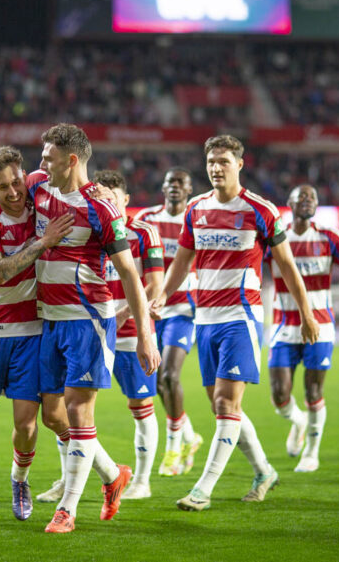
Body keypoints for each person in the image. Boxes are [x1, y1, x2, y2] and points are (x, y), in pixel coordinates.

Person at [0, 124, 160, 533]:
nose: (39, 164)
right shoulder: (39, 186)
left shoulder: (102, 208)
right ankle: (113, 476)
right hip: (48, 320)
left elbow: (130, 273)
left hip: (86, 320)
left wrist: (145, 334)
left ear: (71, 160)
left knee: (79, 410)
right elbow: (1, 200)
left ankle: (68, 509)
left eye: (47, 157)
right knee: (52, 416)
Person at [155, 135, 320, 511]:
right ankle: (264, 471)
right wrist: (162, 295)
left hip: (240, 318)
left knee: (227, 404)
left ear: (239, 165)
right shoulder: (195, 208)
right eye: (211, 161)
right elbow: (182, 260)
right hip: (205, 320)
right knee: (221, 406)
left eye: (224, 161)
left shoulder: (260, 210)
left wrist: (307, 313)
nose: (216, 167)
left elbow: (288, 267)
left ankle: (202, 490)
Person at [0, 146, 75, 528]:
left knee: (25, 424)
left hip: (32, 331)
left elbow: (71, 180)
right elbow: (1, 273)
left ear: (25, 175)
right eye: (2, 186)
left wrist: (103, 192)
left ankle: (19, 481)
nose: (13, 192)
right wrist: (43, 243)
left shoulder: (38, 195)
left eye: (16, 181)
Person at [267, 184, 339, 473]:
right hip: (283, 325)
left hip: (320, 326)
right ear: (289, 203)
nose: (307, 200)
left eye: (312, 197)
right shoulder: (277, 237)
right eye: (301, 196)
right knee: (279, 394)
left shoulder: (329, 236)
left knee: (313, 392)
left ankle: (311, 453)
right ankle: (298, 421)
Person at [92, 170, 164, 500]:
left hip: (131, 332)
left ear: (125, 200)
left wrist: (121, 316)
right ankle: (72, 477)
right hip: (92, 332)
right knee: (71, 409)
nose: (106, 202)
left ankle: (143, 480)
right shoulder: (91, 230)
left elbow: (155, 285)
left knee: (141, 405)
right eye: (100, 196)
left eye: (112, 197)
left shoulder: (143, 232)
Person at [135, 168, 203, 477]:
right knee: (160, 383)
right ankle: (189, 436)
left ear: (189, 189)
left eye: (180, 183)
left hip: (183, 310)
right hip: (151, 311)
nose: (174, 187)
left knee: (170, 376)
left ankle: (173, 448)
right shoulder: (147, 219)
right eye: (169, 182)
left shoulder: (197, 219)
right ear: (162, 187)